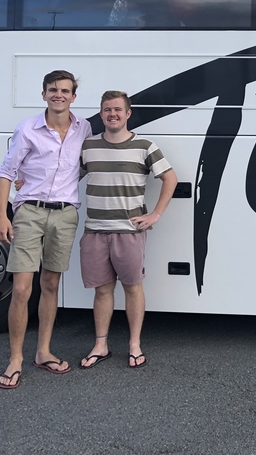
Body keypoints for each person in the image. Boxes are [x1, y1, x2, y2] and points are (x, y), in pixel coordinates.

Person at [0, 70, 93, 389]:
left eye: (65, 90)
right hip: (30, 212)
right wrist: (2, 216)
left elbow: (83, 165)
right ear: (44, 94)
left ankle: (43, 352)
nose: (59, 95)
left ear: (74, 97)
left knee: (50, 284)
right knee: (22, 288)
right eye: (53, 90)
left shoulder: (84, 128)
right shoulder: (28, 129)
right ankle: (15, 359)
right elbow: (7, 173)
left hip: (65, 215)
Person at [78, 90, 178, 370]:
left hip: (129, 232)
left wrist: (155, 214)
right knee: (102, 291)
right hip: (95, 231)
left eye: (118, 110)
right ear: (101, 114)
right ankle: (101, 345)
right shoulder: (87, 147)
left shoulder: (145, 146)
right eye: (107, 110)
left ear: (128, 113)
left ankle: (134, 345)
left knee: (133, 288)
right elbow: (64, 176)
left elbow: (170, 178)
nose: (113, 114)